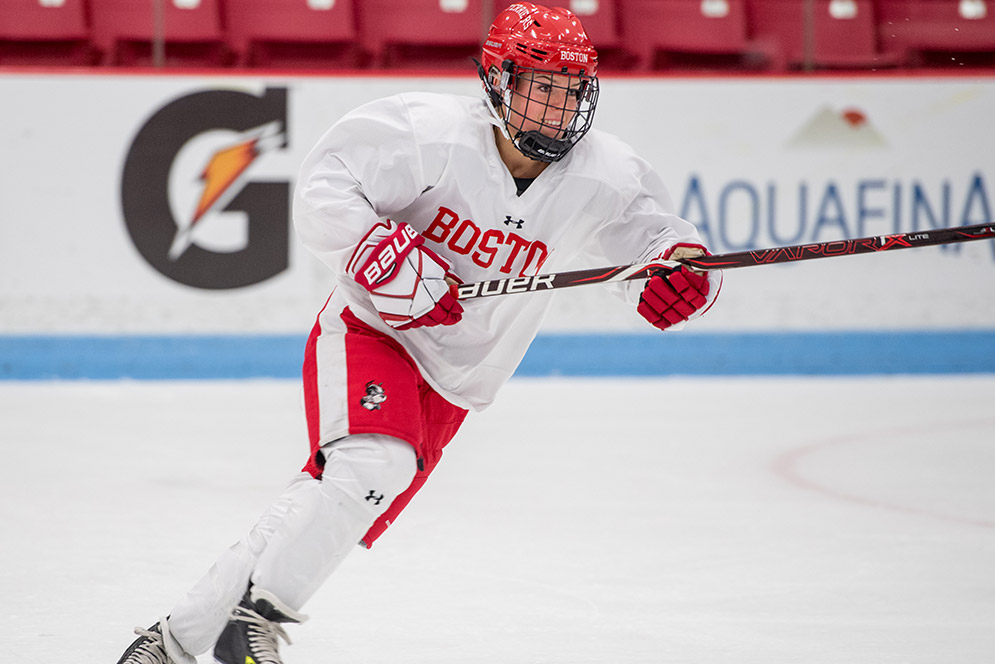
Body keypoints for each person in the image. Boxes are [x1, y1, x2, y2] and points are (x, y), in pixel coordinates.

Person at [113, 3, 722, 663]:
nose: (558, 107)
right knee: (377, 466)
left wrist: (684, 275)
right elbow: (325, 191)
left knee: (332, 499)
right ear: (498, 81)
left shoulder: (606, 174)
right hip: (371, 332)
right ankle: (254, 623)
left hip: (461, 379)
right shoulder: (422, 133)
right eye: (542, 87)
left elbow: (664, 242)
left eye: (571, 89)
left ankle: (171, 643)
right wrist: (382, 254)